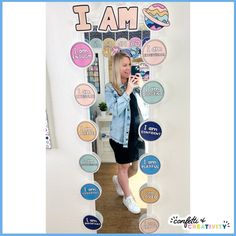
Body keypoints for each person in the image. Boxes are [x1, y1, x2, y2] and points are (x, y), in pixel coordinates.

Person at [105, 51, 148, 214]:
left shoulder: (135, 84)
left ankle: (118, 180)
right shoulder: (110, 88)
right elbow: (115, 110)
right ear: (117, 67)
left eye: (129, 64)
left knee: (135, 169)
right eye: (124, 65)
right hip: (120, 137)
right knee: (123, 167)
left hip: (137, 135)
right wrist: (128, 90)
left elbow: (147, 106)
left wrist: (141, 85)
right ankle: (127, 197)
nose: (128, 68)